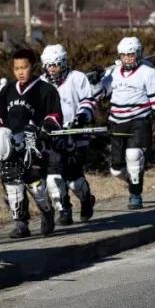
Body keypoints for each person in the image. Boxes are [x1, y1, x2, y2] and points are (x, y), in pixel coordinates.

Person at [0, 48, 63, 238]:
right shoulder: (7, 91)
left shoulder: (46, 90)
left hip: (35, 144)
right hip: (11, 144)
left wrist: (47, 126)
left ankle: (47, 212)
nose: (21, 72)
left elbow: (55, 115)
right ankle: (21, 223)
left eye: (25, 67)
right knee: (12, 183)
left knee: (35, 184)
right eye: (16, 68)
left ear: (34, 66)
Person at [93, 36, 155, 210]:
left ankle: (135, 194)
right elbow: (99, 94)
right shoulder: (112, 72)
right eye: (124, 55)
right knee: (116, 170)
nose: (128, 58)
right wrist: (96, 81)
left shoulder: (148, 73)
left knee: (133, 156)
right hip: (117, 122)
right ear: (120, 56)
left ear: (139, 54)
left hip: (138, 121)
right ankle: (133, 179)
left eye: (131, 54)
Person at [39, 44, 98, 224]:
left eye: (56, 64)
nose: (52, 69)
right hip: (53, 137)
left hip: (75, 135)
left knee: (74, 180)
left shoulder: (77, 78)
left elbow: (88, 101)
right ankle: (63, 209)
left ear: (64, 63)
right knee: (53, 177)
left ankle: (86, 199)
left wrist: (81, 117)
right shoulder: (40, 84)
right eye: (48, 65)